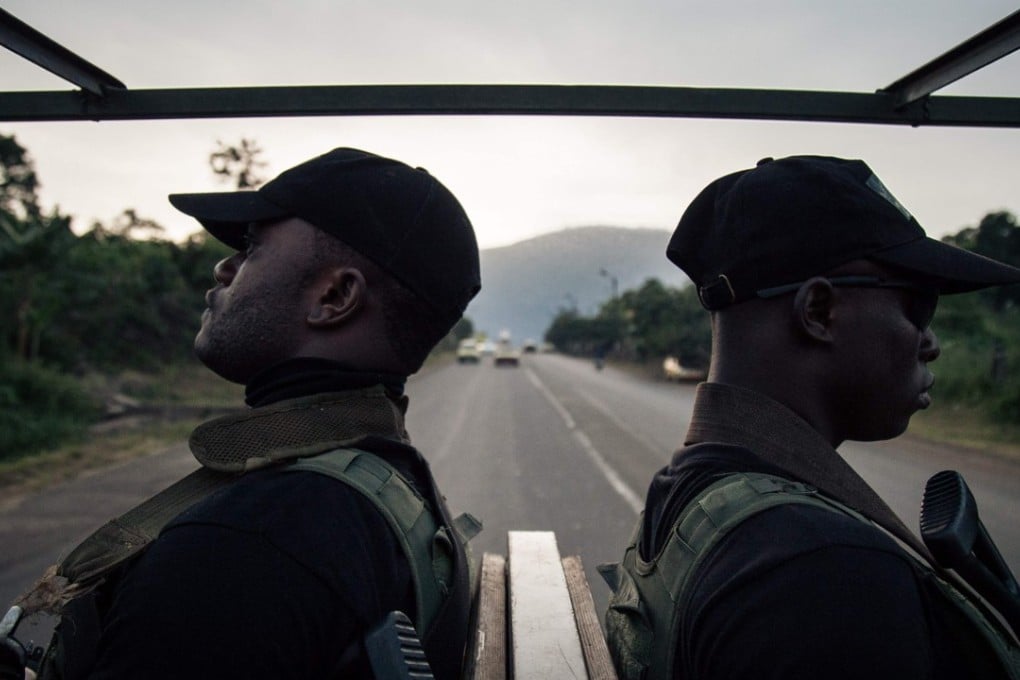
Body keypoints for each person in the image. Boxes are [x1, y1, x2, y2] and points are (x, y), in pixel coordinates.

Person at [17, 148, 481, 679]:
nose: (224, 267)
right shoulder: (389, 480)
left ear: (335, 296)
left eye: (252, 247)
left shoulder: (241, 549)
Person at [601, 155, 1020, 679]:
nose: (930, 342)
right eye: (919, 308)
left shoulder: (689, 491)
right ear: (819, 311)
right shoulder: (826, 571)